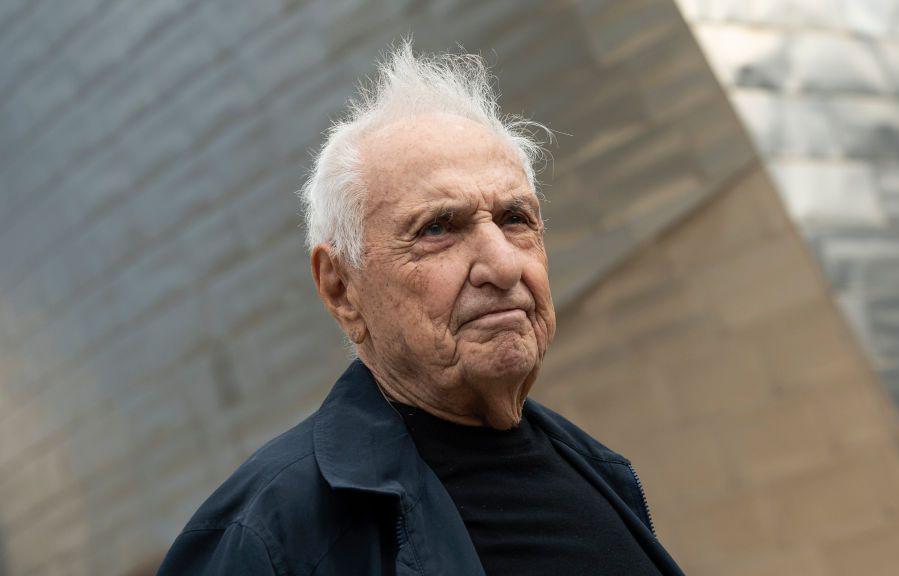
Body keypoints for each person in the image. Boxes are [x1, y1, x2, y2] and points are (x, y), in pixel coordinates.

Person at [156, 39, 686, 576]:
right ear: (342, 289)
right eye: (438, 229)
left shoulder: (599, 470)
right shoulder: (266, 537)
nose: (502, 266)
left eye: (515, 219)